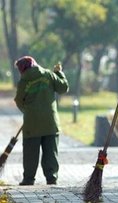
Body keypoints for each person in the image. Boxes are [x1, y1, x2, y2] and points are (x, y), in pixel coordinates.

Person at [14, 56, 69, 185]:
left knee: (30, 153)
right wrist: (59, 73)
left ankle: (28, 179)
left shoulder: (23, 81)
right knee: (51, 152)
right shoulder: (48, 75)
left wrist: (28, 111)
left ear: (22, 69)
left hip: (32, 123)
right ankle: (52, 177)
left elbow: (18, 100)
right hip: (50, 121)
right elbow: (63, 88)